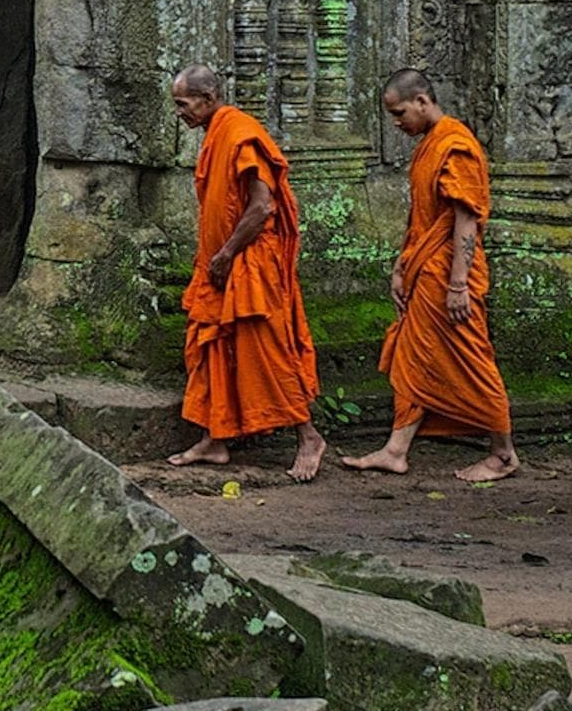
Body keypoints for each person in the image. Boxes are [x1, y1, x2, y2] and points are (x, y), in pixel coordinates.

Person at [342, 70, 519, 482]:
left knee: (471, 357)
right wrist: (401, 267)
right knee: (415, 356)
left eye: (400, 112)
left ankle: (503, 453)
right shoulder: (429, 147)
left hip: (449, 274)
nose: (397, 122)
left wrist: (458, 283)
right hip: (425, 268)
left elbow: (466, 218)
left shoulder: (456, 146)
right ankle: (396, 450)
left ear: (423, 101)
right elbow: (421, 216)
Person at [167, 64, 326, 480]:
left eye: (182, 104)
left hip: (249, 262)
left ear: (208, 99)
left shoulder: (240, 134)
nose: (179, 113)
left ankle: (309, 436)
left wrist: (227, 253)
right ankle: (214, 440)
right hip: (221, 263)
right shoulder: (216, 135)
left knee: (265, 352)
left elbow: (262, 206)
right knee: (209, 347)